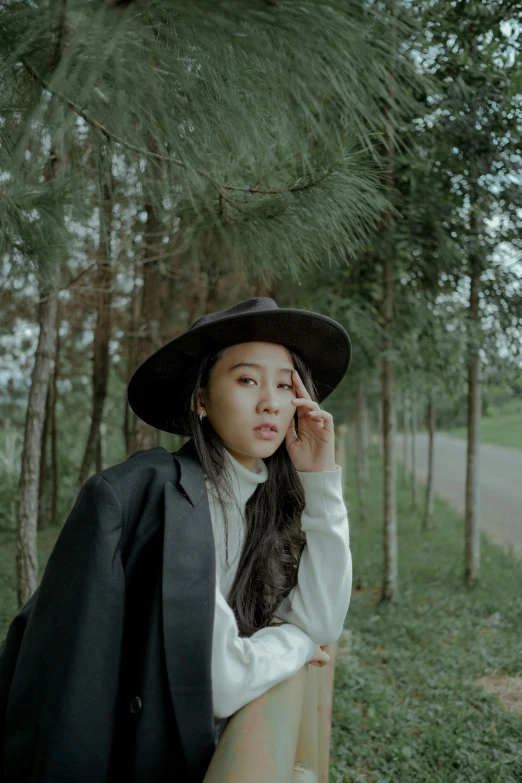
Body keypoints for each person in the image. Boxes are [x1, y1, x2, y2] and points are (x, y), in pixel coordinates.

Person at [0, 297, 352, 783]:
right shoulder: (163, 496)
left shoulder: (257, 502)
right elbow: (219, 680)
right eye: (247, 380)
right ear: (200, 398)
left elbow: (323, 621)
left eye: (284, 383)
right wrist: (293, 643)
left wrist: (321, 479)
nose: (270, 400)